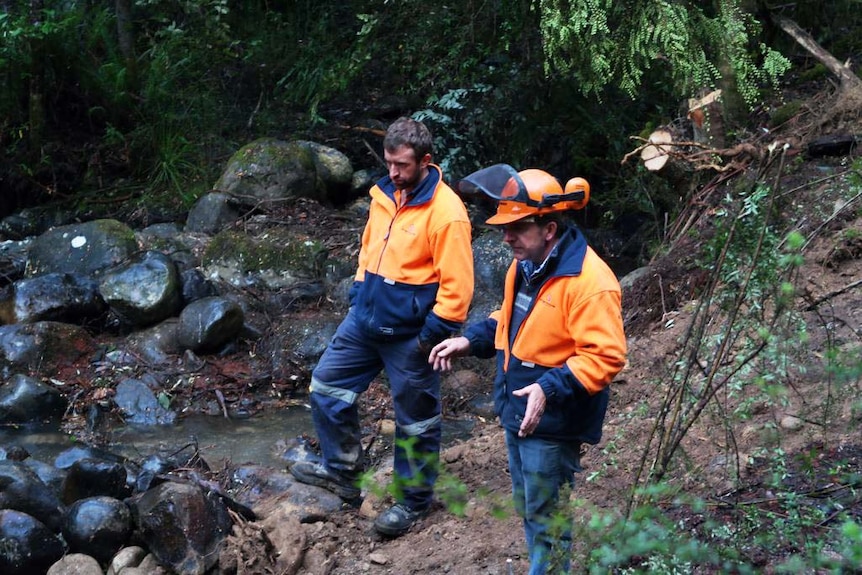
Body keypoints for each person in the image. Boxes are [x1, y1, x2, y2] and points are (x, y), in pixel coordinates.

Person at [429, 165, 626, 573]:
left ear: (548, 229)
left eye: (516, 227)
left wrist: (548, 387)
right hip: (519, 413)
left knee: (548, 520)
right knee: (532, 510)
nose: (506, 237)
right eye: (505, 226)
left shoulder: (590, 282)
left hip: (552, 422)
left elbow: (605, 356)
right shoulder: (525, 267)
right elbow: (512, 319)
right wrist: (472, 340)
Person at [290, 117, 475, 537]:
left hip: (411, 335)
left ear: (425, 162)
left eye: (402, 165)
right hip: (365, 321)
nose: (393, 172)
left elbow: (458, 285)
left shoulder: (446, 212)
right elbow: (370, 247)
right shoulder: (383, 195)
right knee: (326, 388)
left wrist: (433, 334)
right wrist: (358, 292)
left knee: (416, 421)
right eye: (389, 162)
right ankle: (343, 473)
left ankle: (413, 502)